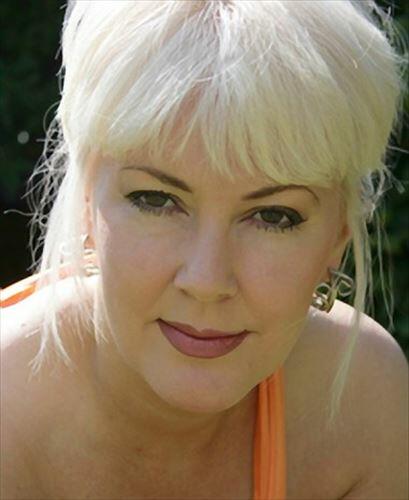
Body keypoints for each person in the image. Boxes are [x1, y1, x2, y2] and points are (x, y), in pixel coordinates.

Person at [1, 1, 408, 498]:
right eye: (156, 200)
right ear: (87, 202)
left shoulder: (364, 399)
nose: (207, 280)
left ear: (337, 237)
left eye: (274, 216)